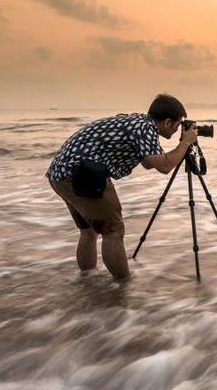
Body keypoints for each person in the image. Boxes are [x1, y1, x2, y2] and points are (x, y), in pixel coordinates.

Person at [46, 94, 198, 279]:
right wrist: (186, 142)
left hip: (59, 173)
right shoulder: (144, 128)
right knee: (114, 231)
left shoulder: (137, 122)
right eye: (177, 125)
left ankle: (87, 282)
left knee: (88, 231)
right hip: (82, 175)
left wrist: (183, 143)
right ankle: (123, 286)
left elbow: (149, 163)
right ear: (167, 122)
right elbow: (165, 166)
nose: (177, 129)